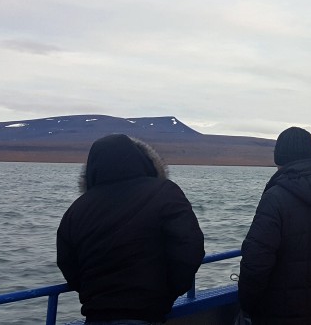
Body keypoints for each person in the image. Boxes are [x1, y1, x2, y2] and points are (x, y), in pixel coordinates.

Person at [57, 134, 205, 325]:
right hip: (149, 313)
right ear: (143, 161)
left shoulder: (76, 210)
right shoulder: (165, 192)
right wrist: (167, 292)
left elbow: (68, 265)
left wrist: (98, 298)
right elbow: (190, 247)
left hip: (96, 317)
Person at [238, 127, 311, 325]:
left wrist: (247, 305)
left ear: (279, 158)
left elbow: (255, 263)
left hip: (279, 313)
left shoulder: (275, 198)